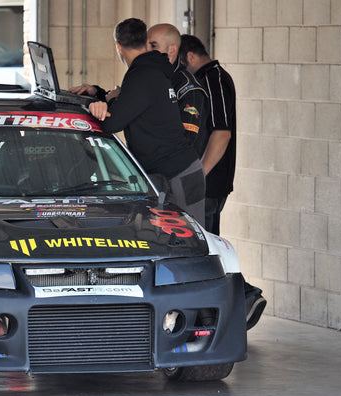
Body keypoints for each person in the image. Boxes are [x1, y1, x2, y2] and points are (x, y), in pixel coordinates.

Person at [70, 18, 205, 225]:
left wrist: (108, 102)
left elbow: (112, 124)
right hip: (174, 172)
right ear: (145, 41)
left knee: (191, 241)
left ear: (118, 46)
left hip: (178, 173)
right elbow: (135, 104)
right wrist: (101, 95)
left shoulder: (142, 74)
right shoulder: (152, 69)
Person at [179, 34, 266, 330]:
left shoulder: (211, 79)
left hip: (208, 183)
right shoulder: (210, 78)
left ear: (190, 57)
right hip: (207, 182)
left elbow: (222, 132)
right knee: (208, 245)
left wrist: (199, 174)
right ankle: (240, 300)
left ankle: (243, 296)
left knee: (207, 248)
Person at [146, 24, 209, 156]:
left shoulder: (188, 88)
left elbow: (185, 142)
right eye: (145, 45)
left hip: (176, 172)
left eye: (153, 45)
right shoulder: (150, 79)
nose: (146, 50)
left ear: (172, 50)